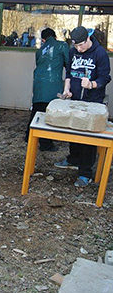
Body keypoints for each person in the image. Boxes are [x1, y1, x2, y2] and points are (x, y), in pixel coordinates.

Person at [54, 26, 111, 187]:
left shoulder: (100, 54)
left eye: (81, 45)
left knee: (87, 135)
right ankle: (73, 158)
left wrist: (92, 84)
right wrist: (67, 89)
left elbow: (105, 77)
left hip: (93, 100)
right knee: (73, 128)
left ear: (88, 39)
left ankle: (85, 173)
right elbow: (70, 73)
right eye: (76, 46)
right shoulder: (73, 52)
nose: (79, 49)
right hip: (75, 99)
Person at [25, 28, 69, 151]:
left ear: (43, 39)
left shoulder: (39, 51)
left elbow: (39, 64)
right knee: (48, 113)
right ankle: (46, 144)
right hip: (53, 83)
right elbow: (68, 63)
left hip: (39, 83)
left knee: (37, 110)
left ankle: (29, 136)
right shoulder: (62, 46)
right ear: (54, 36)